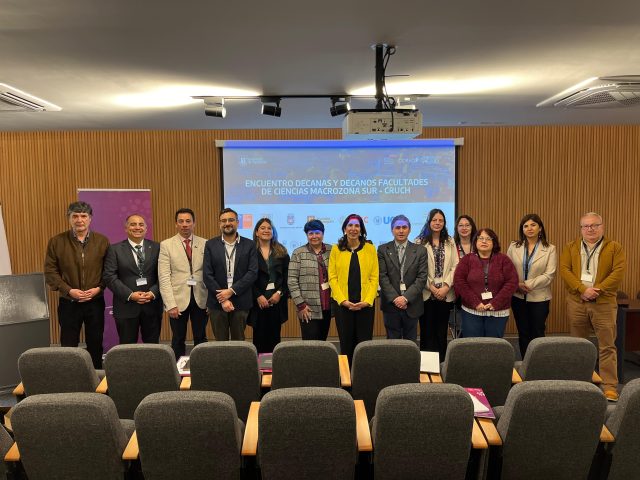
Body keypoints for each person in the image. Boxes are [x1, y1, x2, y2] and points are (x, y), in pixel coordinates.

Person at [559, 212, 625, 402]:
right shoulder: (571, 247)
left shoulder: (614, 248)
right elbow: (565, 270)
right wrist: (582, 289)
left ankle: (610, 386)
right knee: (578, 345)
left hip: (603, 303)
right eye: (586, 226)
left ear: (602, 227)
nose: (590, 229)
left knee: (607, 346)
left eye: (595, 225)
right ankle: (580, 382)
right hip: (577, 302)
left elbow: (618, 272)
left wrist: (598, 290)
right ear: (581, 229)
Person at [44, 201, 110, 368]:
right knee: (68, 344)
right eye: (75, 216)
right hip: (69, 302)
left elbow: (109, 271)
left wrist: (99, 288)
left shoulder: (102, 241)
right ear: (69, 218)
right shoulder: (56, 242)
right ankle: (69, 378)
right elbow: (50, 272)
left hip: (95, 301)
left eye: (83, 216)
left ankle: (95, 378)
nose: (79, 220)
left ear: (90, 219)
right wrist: (69, 290)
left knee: (95, 343)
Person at [103, 214, 163, 344]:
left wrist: (153, 293)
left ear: (146, 228)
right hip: (126, 306)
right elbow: (109, 276)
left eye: (141, 224)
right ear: (126, 228)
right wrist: (130, 295)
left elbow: (164, 275)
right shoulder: (114, 249)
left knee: (153, 347)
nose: (137, 227)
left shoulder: (158, 248)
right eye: (133, 224)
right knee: (127, 348)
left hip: (151, 305)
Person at [158, 208, 208, 360]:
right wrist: (170, 304)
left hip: (201, 298)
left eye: (188, 221)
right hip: (177, 300)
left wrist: (210, 301)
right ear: (176, 224)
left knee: (201, 337)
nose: (185, 225)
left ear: (194, 223)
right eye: (181, 221)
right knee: (178, 339)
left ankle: (202, 368)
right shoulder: (166, 245)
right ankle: (177, 373)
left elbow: (210, 274)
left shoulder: (206, 243)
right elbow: (164, 276)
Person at [329, 214, 379, 363]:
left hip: (365, 305)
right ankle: (346, 381)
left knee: (364, 345)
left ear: (361, 229)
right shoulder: (336, 250)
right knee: (346, 344)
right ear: (345, 229)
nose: (353, 229)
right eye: (350, 225)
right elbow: (332, 278)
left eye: (357, 226)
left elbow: (374, 278)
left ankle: (363, 377)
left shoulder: (370, 249)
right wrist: (343, 300)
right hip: (343, 306)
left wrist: (367, 300)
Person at [203, 208, 258, 341]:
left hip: (241, 301)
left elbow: (252, 273)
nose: (227, 223)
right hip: (217, 303)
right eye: (223, 220)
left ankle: (238, 363)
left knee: (239, 341)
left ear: (237, 222)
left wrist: (231, 291)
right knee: (220, 342)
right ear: (219, 224)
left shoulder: (249, 245)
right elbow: (207, 274)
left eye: (231, 220)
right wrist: (223, 298)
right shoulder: (210, 244)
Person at [506, 214, 557, 358]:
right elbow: (507, 269)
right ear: (522, 229)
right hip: (518, 296)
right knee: (523, 332)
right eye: (526, 226)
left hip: (539, 298)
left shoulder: (550, 249)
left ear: (540, 228)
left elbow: (549, 274)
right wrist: (516, 285)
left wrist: (526, 284)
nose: (529, 228)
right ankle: (524, 364)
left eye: (533, 225)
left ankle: (538, 365)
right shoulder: (514, 246)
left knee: (537, 332)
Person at [453, 228, 518, 338]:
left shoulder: (503, 259)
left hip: (497, 312)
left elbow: (512, 282)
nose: (484, 241)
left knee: (494, 346)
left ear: (494, 242)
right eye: (481, 238)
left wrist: (496, 303)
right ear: (475, 241)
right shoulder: (467, 259)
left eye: (488, 239)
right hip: (471, 311)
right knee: (473, 345)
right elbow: (459, 281)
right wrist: (475, 303)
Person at [416, 209, 459, 361]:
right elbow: (418, 269)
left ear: (444, 223)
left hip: (445, 294)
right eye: (434, 220)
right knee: (427, 332)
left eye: (440, 220)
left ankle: (441, 365)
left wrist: (446, 286)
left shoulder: (450, 241)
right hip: (427, 293)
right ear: (429, 222)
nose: (437, 223)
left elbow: (455, 266)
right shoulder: (420, 241)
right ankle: (426, 368)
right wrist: (432, 288)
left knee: (441, 332)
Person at [378, 215, 428, 342]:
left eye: (404, 227)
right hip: (391, 305)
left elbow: (422, 278)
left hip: (412, 304)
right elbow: (382, 276)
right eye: (397, 227)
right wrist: (396, 298)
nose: (401, 231)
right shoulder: (383, 249)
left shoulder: (420, 250)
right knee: (392, 342)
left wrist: (405, 298)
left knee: (410, 342)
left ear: (409, 230)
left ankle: (410, 363)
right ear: (392, 230)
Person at [287, 219, 333, 340]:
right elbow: (292, 281)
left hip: (327, 306)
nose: (314, 236)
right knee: (310, 345)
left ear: (322, 233)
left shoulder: (332, 251)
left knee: (323, 342)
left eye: (317, 233)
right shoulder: (298, 253)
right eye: (310, 233)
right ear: (307, 235)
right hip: (307, 308)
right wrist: (301, 305)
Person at [249, 218, 290, 353]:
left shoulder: (282, 252)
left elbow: (287, 277)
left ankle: (273, 369)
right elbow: (246, 278)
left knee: (274, 339)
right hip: (258, 303)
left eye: (269, 228)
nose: (266, 230)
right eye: (262, 228)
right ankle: (259, 370)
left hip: (276, 302)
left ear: (273, 232)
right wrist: (258, 296)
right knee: (259, 340)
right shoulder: (250, 252)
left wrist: (279, 293)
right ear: (256, 232)